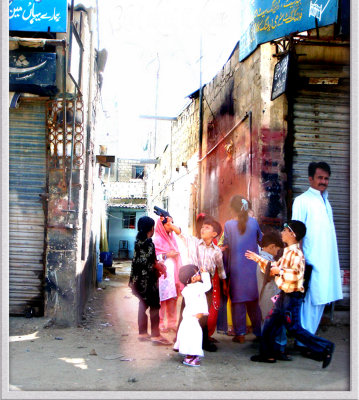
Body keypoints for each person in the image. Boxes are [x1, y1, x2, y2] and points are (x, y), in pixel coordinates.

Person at [245, 220, 335, 368]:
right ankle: (267, 354)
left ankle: (325, 347)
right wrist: (258, 259)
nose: (282, 233)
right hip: (284, 296)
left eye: (285, 230)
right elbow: (274, 267)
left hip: (292, 297)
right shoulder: (288, 251)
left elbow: (296, 275)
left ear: (292, 234)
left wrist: (279, 271)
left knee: (294, 328)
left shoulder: (297, 254)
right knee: (269, 323)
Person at [291, 162, 343, 346]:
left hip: (326, 260)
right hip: (310, 259)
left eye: (326, 178)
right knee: (310, 301)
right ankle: (304, 342)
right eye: (320, 178)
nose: (323, 182)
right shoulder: (302, 200)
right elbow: (296, 232)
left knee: (320, 299)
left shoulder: (325, 200)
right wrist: (299, 258)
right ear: (310, 178)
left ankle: (308, 339)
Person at [174, 216, 227, 352]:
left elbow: (220, 269)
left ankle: (203, 341)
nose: (203, 229)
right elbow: (182, 235)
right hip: (192, 282)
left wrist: (224, 284)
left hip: (206, 284)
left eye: (207, 227)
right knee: (186, 312)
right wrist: (172, 225)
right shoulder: (194, 243)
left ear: (214, 234)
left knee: (203, 313)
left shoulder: (216, 252)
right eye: (203, 227)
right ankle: (179, 341)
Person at [223, 195, 262, 344]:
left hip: (236, 268)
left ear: (233, 209)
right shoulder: (254, 222)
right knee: (254, 302)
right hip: (253, 268)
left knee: (237, 302)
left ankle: (240, 334)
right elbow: (261, 239)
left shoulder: (228, 225)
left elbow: (226, 245)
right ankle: (259, 332)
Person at [128, 216, 171, 345]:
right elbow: (149, 261)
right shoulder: (149, 242)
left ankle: (142, 333)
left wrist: (157, 264)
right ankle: (156, 336)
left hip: (136, 280)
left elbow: (143, 260)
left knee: (143, 304)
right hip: (148, 281)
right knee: (154, 306)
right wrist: (161, 267)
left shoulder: (137, 242)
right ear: (151, 228)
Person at [256, 230, 289, 359]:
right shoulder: (265, 260)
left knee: (269, 323)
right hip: (270, 295)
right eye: (277, 249)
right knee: (273, 323)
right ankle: (274, 351)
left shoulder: (261, 258)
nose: (277, 252)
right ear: (271, 247)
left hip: (266, 295)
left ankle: (272, 350)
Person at [173, 264, 212, 367]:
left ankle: (190, 356)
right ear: (192, 278)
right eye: (197, 273)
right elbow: (208, 286)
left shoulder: (188, 288)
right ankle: (191, 356)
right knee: (195, 336)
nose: (199, 274)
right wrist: (205, 274)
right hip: (192, 316)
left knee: (190, 335)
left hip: (189, 316)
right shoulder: (197, 287)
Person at [153, 215, 182, 333]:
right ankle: (159, 323)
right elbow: (154, 257)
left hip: (173, 272)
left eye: (172, 223)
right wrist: (167, 255)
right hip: (161, 274)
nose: (170, 227)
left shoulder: (172, 238)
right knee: (161, 299)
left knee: (172, 298)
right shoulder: (157, 239)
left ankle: (171, 323)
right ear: (161, 225)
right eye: (168, 224)